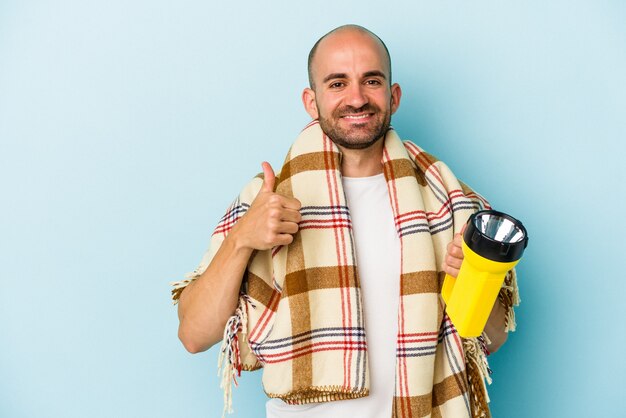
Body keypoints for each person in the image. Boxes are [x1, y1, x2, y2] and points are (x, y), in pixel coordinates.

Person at [172, 24, 519, 418]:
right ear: (311, 100)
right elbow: (193, 335)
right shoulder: (268, 200)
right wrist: (241, 240)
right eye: (337, 83)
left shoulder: (447, 201)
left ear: (394, 96)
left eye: (371, 81)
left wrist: (472, 282)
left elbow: (491, 338)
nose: (356, 98)